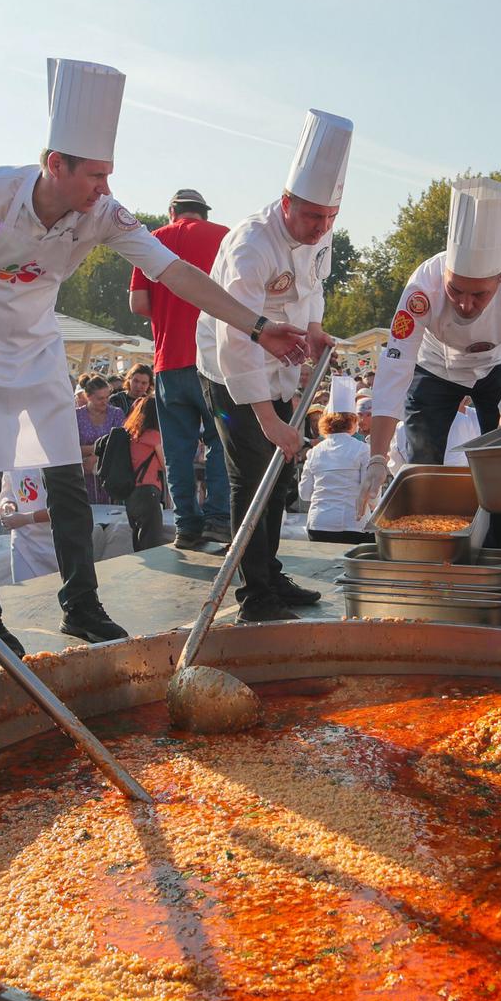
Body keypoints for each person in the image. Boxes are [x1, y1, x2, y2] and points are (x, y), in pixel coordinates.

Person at [0, 57, 307, 658]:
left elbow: (176, 274)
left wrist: (258, 327)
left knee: (66, 480)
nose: (104, 187)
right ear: (55, 163)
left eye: (108, 174)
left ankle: (81, 605)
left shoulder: (103, 214)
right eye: (95, 175)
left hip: (36, 345)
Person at [197, 108, 353, 623]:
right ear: (287, 203)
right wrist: (267, 419)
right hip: (230, 370)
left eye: (329, 218)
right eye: (312, 218)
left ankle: (270, 570)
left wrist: (314, 329)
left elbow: (313, 287)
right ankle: (255, 594)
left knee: (280, 472)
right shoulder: (250, 245)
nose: (321, 228)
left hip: (281, 359)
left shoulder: (320, 233)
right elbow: (234, 338)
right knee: (251, 475)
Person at [365, 177, 501, 550]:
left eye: (479, 294)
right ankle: (428, 551)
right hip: (435, 366)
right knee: (423, 464)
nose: (465, 304)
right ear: (444, 274)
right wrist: (376, 458)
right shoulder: (421, 287)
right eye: (455, 289)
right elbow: (396, 364)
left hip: (498, 366)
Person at [129, 189, 233, 551]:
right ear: (204, 212)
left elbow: (138, 303)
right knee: (220, 441)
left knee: (176, 449)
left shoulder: (151, 241)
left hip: (169, 362)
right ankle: (219, 520)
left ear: (172, 211)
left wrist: (166, 310)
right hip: (215, 361)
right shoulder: (225, 236)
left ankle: (187, 526)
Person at [298, 378, 370, 544]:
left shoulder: (314, 452)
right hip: (354, 524)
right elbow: (370, 491)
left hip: (319, 524)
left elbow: (305, 494)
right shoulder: (362, 449)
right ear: (353, 421)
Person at [0, 469, 58, 585]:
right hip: (23, 545)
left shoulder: (53, 461)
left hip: (55, 543)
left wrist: (27, 519)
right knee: (27, 593)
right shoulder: (10, 460)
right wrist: (8, 506)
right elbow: (7, 492)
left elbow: (64, 508)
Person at [123, 395, 166, 551]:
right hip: (148, 491)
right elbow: (166, 464)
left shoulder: (132, 436)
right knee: (152, 541)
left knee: (139, 540)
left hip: (131, 493)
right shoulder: (153, 436)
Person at [76, 374, 125, 504]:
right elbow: (70, 449)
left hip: (111, 478)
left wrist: (95, 456)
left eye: (107, 397)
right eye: (100, 398)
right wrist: (98, 449)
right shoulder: (76, 416)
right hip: (84, 477)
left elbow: (120, 445)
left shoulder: (116, 413)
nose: (105, 401)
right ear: (88, 396)